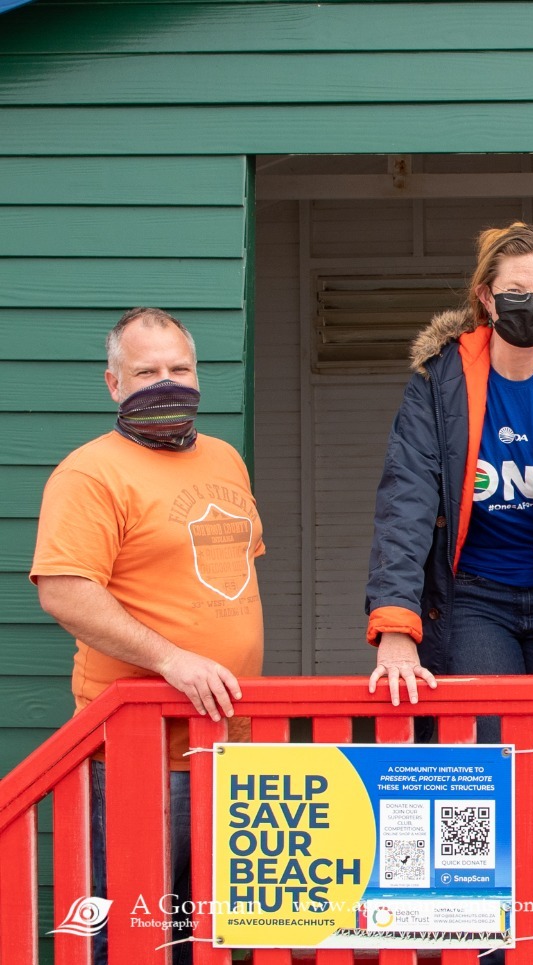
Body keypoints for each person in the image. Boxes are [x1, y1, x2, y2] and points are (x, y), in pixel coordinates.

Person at [364, 222, 533, 950]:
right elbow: (405, 499)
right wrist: (396, 626)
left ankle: (530, 934)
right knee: (488, 762)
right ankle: (476, 939)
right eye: (514, 291)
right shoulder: (441, 380)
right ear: (486, 297)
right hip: (478, 596)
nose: (529, 303)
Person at [30, 307, 266, 965]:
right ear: (113, 383)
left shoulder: (224, 459)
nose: (167, 382)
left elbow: (229, 581)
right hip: (137, 759)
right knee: (132, 934)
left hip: (228, 746)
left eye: (179, 368)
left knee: (211, 934)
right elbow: (64, 588)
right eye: (147, 371)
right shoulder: (90, 472)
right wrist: (171, 658)